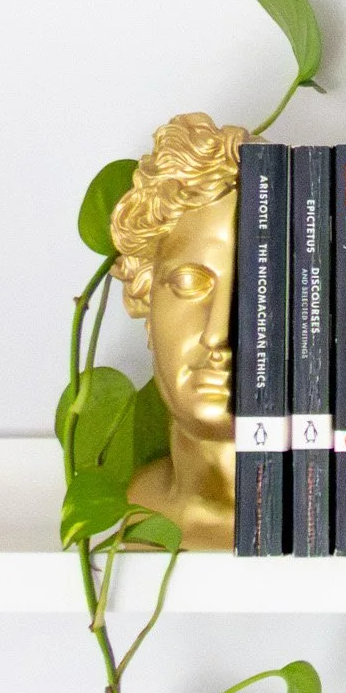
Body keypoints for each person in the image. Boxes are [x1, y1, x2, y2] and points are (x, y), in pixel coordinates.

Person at [110, 113, 246, 550]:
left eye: (258, 291)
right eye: (189, 284)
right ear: (143, 292)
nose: (218, 334)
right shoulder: (132, 500)